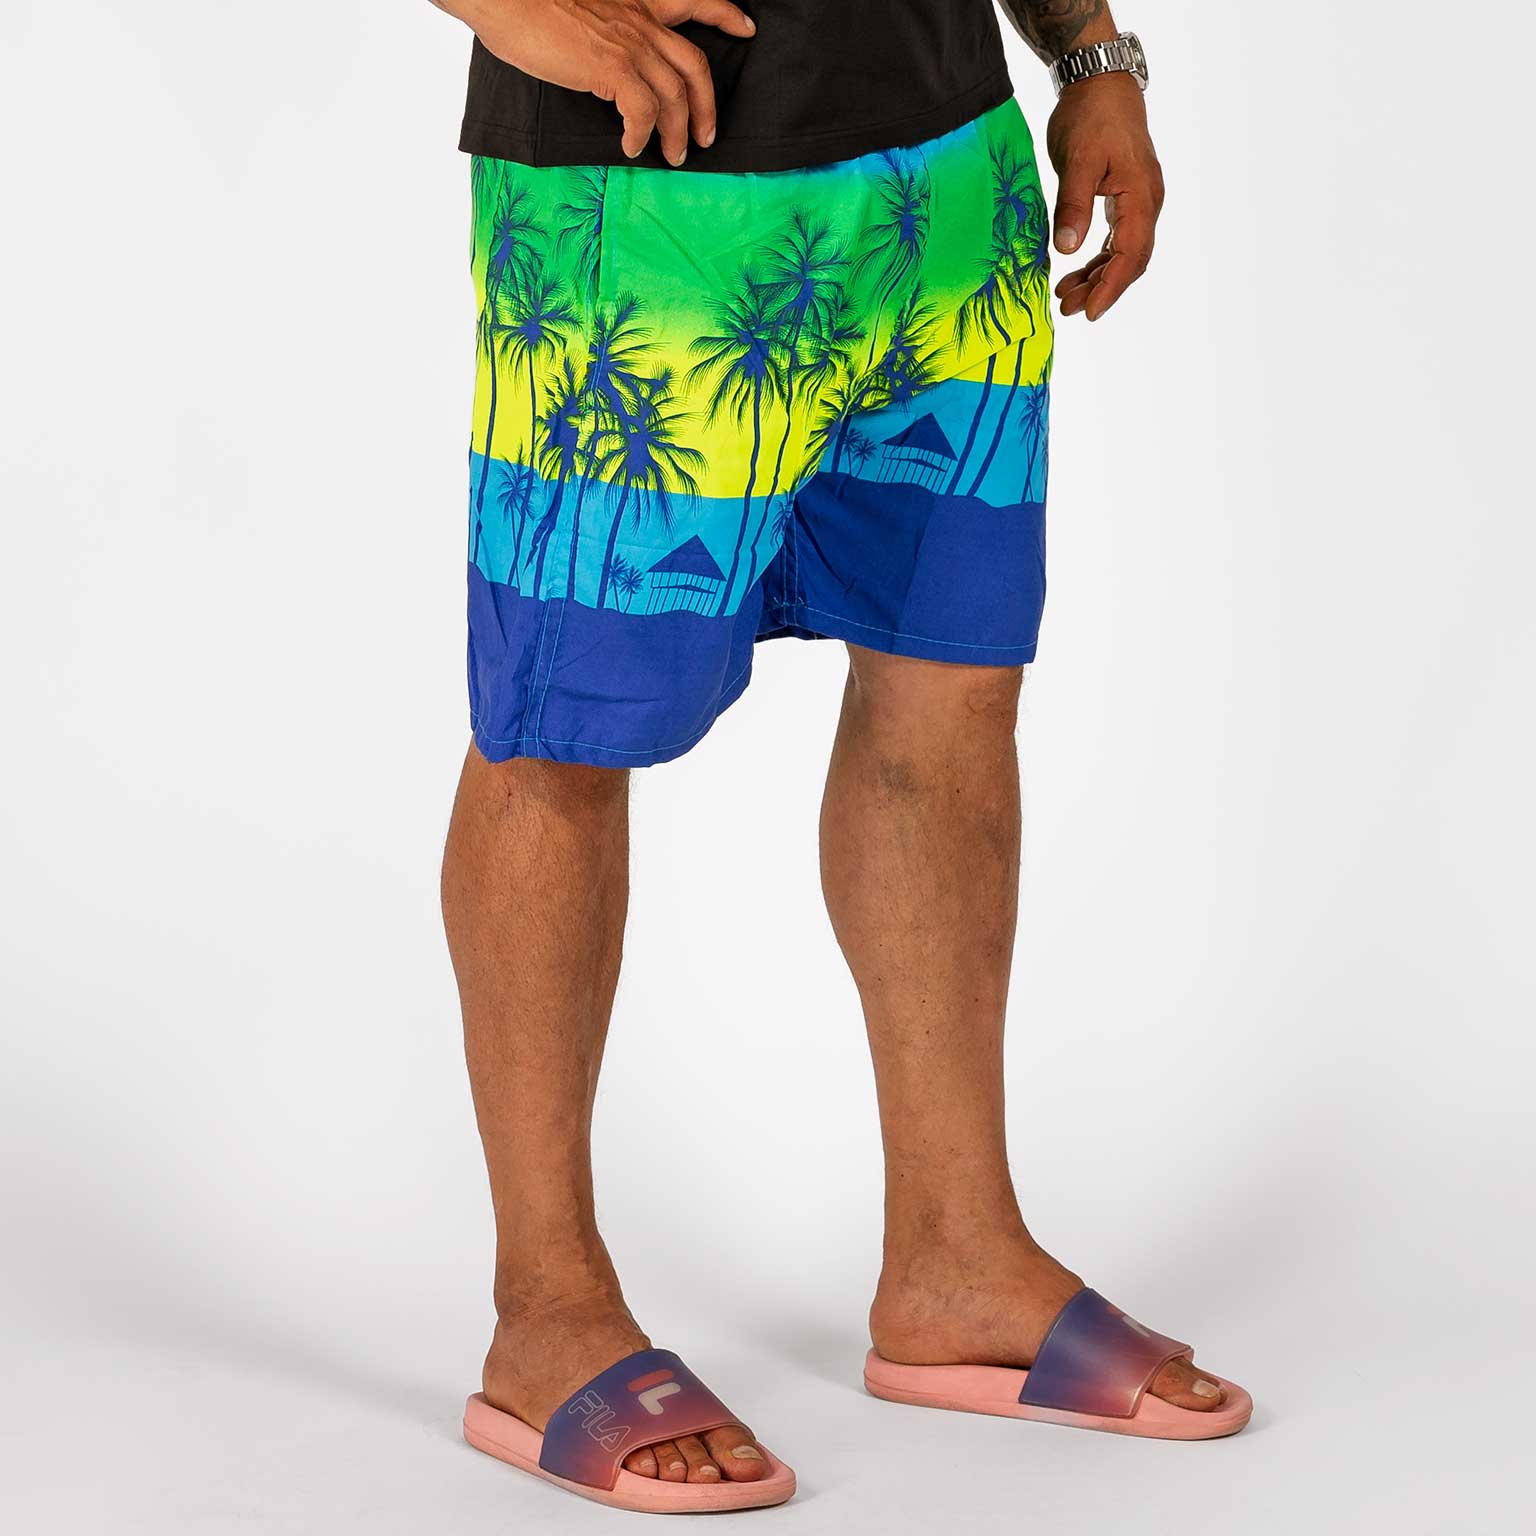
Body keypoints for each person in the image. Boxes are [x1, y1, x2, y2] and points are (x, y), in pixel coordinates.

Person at [431, 0, 1248, 1512]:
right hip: (647, 197)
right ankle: (545, 1309)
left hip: (946, 169)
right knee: (559, 730)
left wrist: (1088, 52)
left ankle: (956, 1258)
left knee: (951, 688)